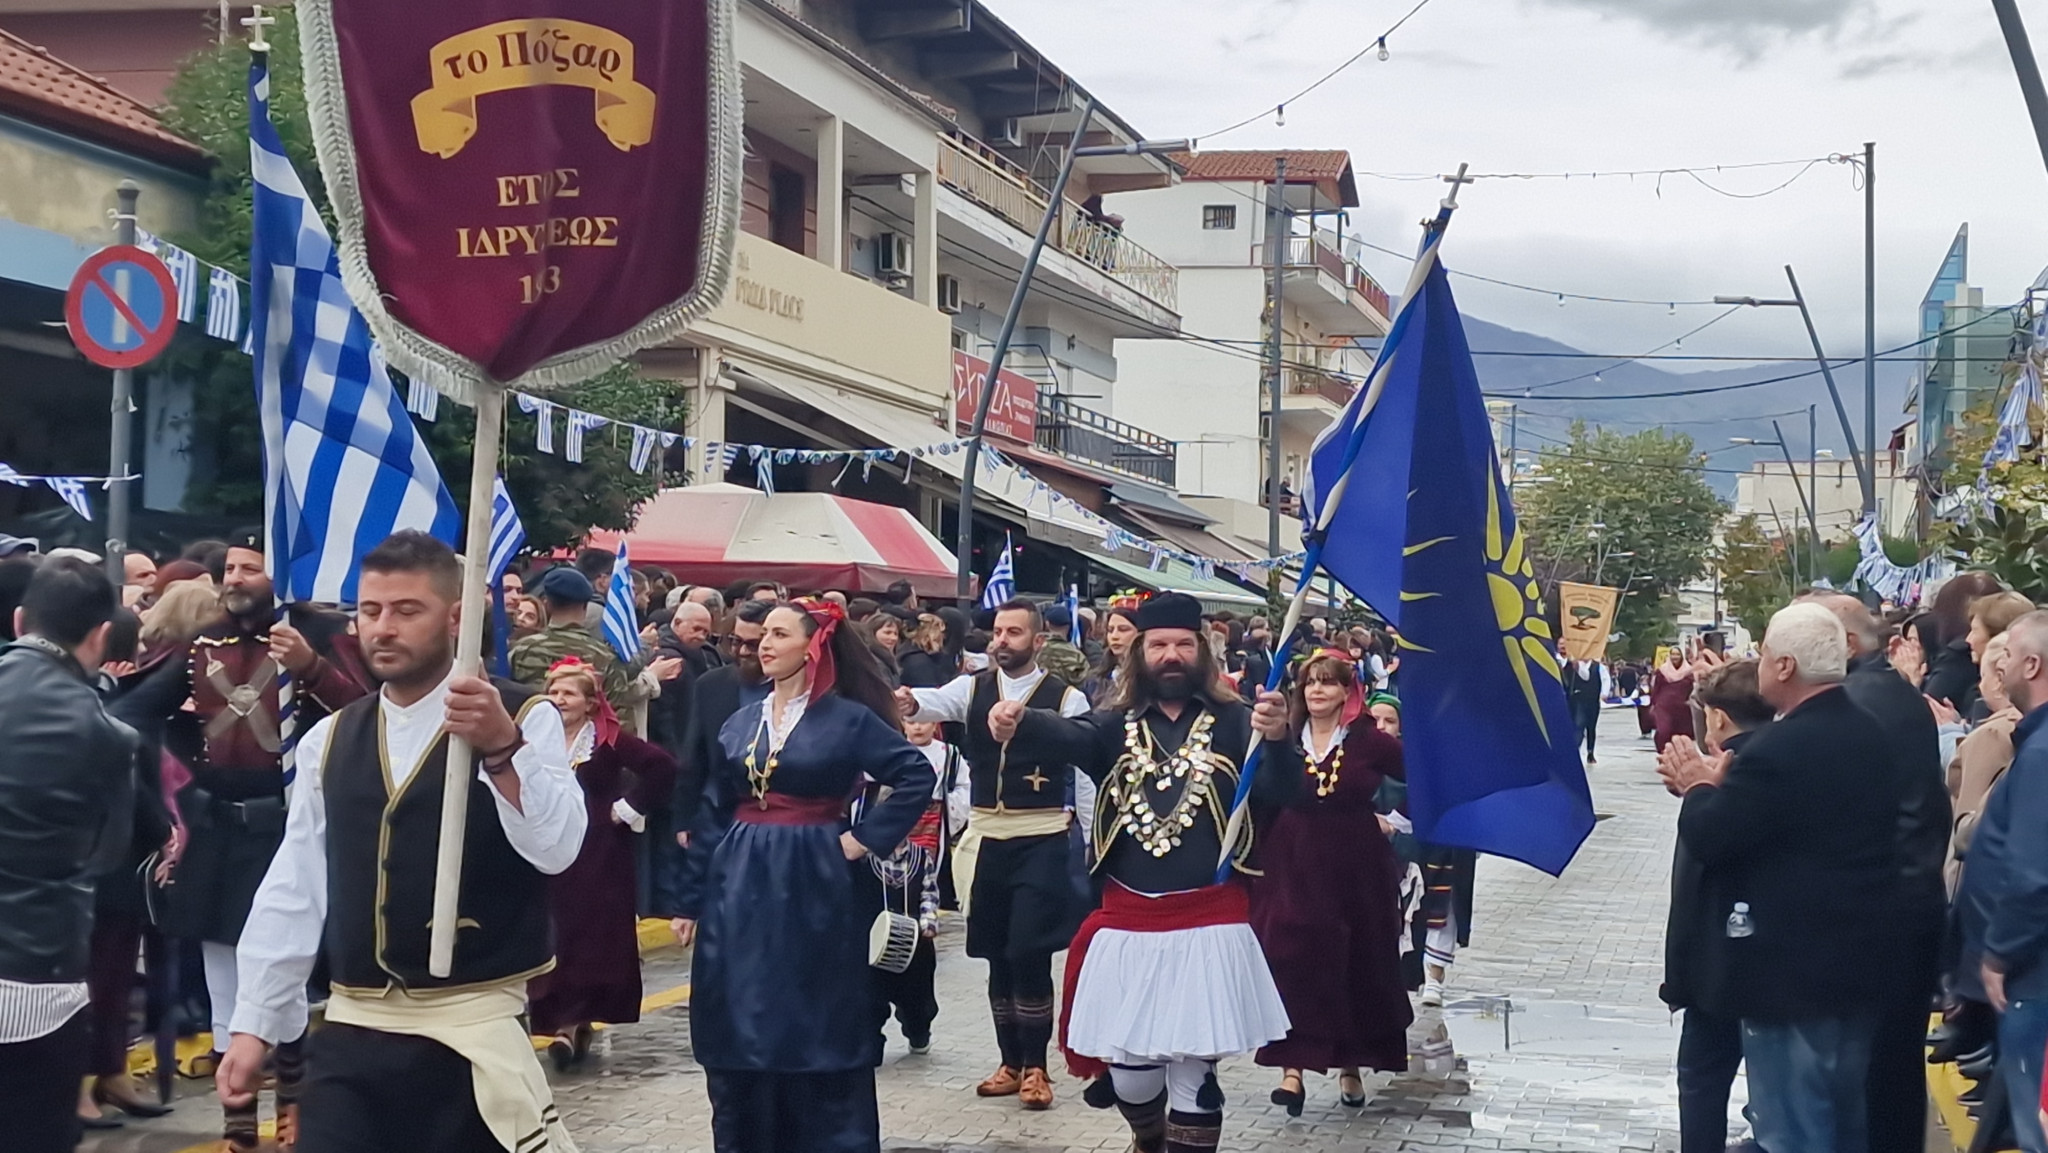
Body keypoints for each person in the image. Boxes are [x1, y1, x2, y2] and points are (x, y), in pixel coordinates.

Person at [216, 530, 587, 1153]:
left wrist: (501, 749)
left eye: (405, 611)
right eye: (370, 611)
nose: (382, 629)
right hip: (353, 1030)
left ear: (455, 618)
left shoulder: (525, 717)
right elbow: (296, 887)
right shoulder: (328, 740)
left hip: (471, 1034)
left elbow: (558, 847)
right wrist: (254, 1022)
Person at [987, 592, 1296, 1153]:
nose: (1170, 655)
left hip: (1208, 920)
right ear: (1140, 653)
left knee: (1193, 1071)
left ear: (1202, 651)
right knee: (1131, 1074)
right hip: (1129, 921)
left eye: (1182, 644)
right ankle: (1148, 1141)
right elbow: (1069, 735)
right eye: (1159, 645)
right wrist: (1018, 719)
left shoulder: (1238, 721)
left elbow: (1283, 792)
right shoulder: (1113, 724)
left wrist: (1278, 739)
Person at [112, 530, 369, 1150]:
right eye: (229, 568)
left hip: (286, 828)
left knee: (278, 971)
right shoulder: (200, 646)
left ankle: (292, 1110)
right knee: (226, 979)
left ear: (276, 576)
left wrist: (310, 668)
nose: (234, 579)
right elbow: (134, 714)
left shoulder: (319, 637)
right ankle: (237, 1131)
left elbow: (366, 712)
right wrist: (163, 787)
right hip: (217, 827)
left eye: (250, 569)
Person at [670, 598, 934, 1153]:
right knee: (739, 1004)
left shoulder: (847, 717)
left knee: (812, 1007)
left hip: (815, 873)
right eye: (762, 633)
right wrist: (690, 898)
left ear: (812, 645)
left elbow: (913, 773)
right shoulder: (743, 719)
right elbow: (715, 807)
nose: (763, 644)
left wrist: (861, 839)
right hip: (738, 877)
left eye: (779, 633)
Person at [1663, 602, 1909, 1153]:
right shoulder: (1869, 732)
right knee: (1843, 1120)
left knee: (1792, 1130)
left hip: (1790, 974)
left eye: (1768, 654)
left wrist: (1698, 787)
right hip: (1857, 963)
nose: (1763, 663)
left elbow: (1717, 838)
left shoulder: (1779, 749)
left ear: (1785, 667)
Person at [896, 599, 1092, 1110]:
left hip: (1043, 836)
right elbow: (929, 703)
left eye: (1013, 633)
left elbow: (1086, 774)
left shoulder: (1066, 698)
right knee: (995, 957)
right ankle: (1009, 1061)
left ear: (1037, 641)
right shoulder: (973, 687)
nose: (1001, 640)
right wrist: (906, 702)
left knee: (1029, 952)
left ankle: (1037, 1069)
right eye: (998, 632)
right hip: (986, 839)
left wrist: (1091, 840)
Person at [0, 557, 138, 1153]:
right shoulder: (107, 734)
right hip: (39, 977)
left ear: (19, 620)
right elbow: (107, 855)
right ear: (102, 636)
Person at [1805, 593, 1950, 1153]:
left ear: (1843, 645)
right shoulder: (1883, 691)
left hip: (1882, 912)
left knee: (1873, 1073)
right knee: (1888, 1070)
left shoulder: (1857, 701)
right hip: (1903, 902)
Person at [1251, 650, 1412, 1116]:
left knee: (1355, 961)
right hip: (1292, 861)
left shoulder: (1367, 740)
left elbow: (1423, 776)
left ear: (1348, 690)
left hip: (1356, 868)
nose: (1317, 691)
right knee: (1293, 956)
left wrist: (1398, 820)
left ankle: (1351, 1065)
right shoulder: (1282, 739)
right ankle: (1293, 1070)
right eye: (1310, 682)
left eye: (1328, 682)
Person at [528, 657, 677, 1068]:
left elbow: (662, 767)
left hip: (596, 847)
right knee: (551, 929)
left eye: (568, 693)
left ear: (591, 702)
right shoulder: (535, 737)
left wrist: (627, 808)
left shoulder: (607, 740)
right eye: (554, 692)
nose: (559, 699)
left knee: (588, 932)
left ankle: (573, 1021)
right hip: (546, 841)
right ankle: (555, 1016)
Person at [1657, 659, 1775, 1153]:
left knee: (1705, 1086)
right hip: (1751, 964)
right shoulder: (1767, 761)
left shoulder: (1747, 770)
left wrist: (1701, 791)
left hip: (1721, 964)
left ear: (1719, 719)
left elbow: (1712, 848)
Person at [1962, 610, 2048, 1151]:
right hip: (2029, 973)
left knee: (2033, 1122)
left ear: (2034, 665)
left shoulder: (2041, 753)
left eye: (2010, 655)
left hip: (2032, 977)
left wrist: (1998, 951)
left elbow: (2034, 870)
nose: (2001, 666)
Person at [866, 717, 960, 1055]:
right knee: (869, 999)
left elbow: (930, 892)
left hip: (915, 942)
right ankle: (870, 1043)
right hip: (874, 942)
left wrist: (928, 923)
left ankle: (918, 1029)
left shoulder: (921, 857)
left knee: (918, 995)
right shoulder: (866, 858)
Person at [509, 567, 633, 710]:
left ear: (546, 604)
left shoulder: (521, 649)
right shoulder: (606, 657)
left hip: (528, 728)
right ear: (585, 606)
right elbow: (619, 717)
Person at [1926, 572, 2005, 712]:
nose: (1969, 639)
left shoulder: (1957, 656)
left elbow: (1928, 708)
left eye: (1975, 630)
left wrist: (1910, 682)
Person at [1083, 605, 1139, 706]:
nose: (1114, 636)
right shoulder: (1095, 680)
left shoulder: (1150, 679)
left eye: (1123, 629)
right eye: (1110, 630)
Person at [1561, 652, 1610, 764]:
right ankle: (1575, 751)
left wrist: (1604, 693)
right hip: (1579, 700)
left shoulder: (1598, 666)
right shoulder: (1573, 664)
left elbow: (1605, 679)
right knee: (1579, 724)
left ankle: (1590, 751)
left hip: (1593, 700)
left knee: (1591, 727)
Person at [1648, 646, 1695, 752]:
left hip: (1682, 709)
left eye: (1677, 654)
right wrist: (1653, 704)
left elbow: (1692, 689)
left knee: (1680, 734)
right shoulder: (1662, 671)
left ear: (1682, 657)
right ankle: (1662, 752)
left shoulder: (1689, 672)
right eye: (1673, 654)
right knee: (1664, 730)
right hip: (1664, 707)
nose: (1675, 657)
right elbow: (1656, 689)